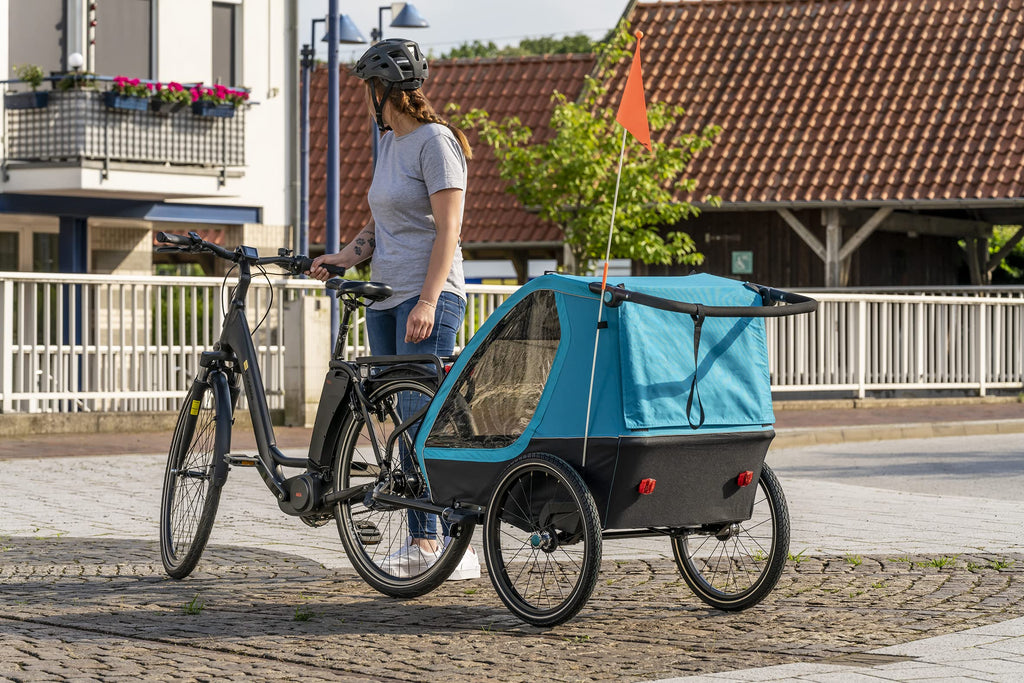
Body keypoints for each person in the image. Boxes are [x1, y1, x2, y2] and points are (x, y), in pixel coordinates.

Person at [308, 38, 479, 581]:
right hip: (385, 296)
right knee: (396, 424)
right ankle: (435, 538)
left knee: (417, 416)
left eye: (369, 89)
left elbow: (449, 230)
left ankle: (439, 542)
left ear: (384, 90)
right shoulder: (390, 144)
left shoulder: (436, 142)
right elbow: (381, 224)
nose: (367, 99)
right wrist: (344, 256)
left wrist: (428, 299)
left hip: (427, 299)